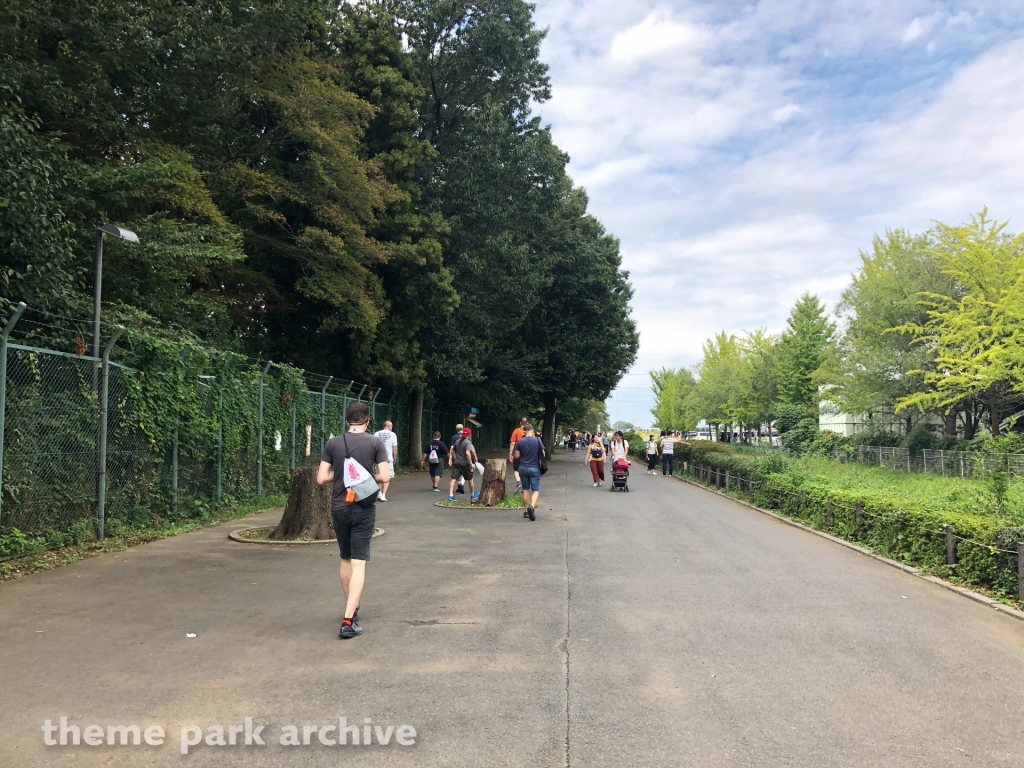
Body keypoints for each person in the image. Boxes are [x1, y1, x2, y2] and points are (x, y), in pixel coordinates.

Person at [317, 401, 391, 640]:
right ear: (367, 422)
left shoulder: (333, 443)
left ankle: (351, 603)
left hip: (339, 506)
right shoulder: (375, 442)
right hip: (363, 508)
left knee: (345, 558)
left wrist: (340, 475)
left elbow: (320, 478)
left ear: (347, 421)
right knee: (359, 562)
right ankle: (348, 621)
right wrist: (366, 476)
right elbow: (385, 475)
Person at [513, 422, 545, 521]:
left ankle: (526, 511)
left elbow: (516, 456)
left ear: (524, 431)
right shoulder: (537, 440)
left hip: (523, 468)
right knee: (536, 490)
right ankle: (532, 506)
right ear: (532, 431)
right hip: (535, 468)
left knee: (525, 489)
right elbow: (543, 453)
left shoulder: (520, 441)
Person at [449, 427, 480, 501]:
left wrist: (452, 458)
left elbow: (452, 450)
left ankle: (451, 495)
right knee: (470, 479)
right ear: (469, 434)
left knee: (454, 479)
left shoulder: (457, 441)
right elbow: (467, 453)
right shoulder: (468, 442)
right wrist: (471, 463)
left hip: (457, 463)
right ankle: (472, 495)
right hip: (465, 463)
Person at [372, 420, 399, 501]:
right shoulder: (393, 434)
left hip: (378, 458)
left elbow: (373, 446)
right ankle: (383, 495)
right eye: (391, 426)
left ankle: (379, 493)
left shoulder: (377, 433)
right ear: (389, 426)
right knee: (387, 477)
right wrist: (395, 458)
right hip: (388, 458)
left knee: (379, 475)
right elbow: (395, 448)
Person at [509, 417, 528, 492]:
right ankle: (525, 487)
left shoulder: (516, 431)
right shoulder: (531, 432)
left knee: (516, 469)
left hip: (518, 453)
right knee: (526, 469)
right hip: (528, 454)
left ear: (520, 423)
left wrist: (510, 453)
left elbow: (513, 443)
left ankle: (518, 483)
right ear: (527, 423)